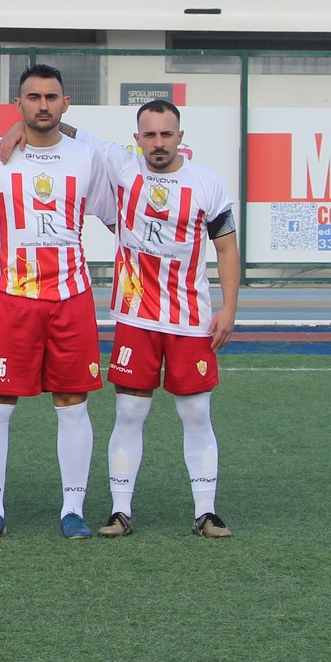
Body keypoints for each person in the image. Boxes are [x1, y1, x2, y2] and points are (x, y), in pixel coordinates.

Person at [62, 101, 241, 538]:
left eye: (166, 134)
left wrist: (229, 308)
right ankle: (120, 511)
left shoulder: (207, 183)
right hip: (136, 317)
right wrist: (15, 130)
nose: (158, 143)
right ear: (137, 138)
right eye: (150, 135)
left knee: (197, 413)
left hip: (192, 319)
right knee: (129, 411)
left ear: (180, 137)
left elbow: (227, 249)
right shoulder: (122, 167)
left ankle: (206, 512)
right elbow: (61, 129)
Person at [0, 63, 117, 539]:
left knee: (73, 404)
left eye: (51, 97)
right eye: (33, 97)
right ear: (18, 104)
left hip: (71, 297)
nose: (42, 105)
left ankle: (73, 510)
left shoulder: (87, 158)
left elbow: (115, 221)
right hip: (10, 298)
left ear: (65, 104)